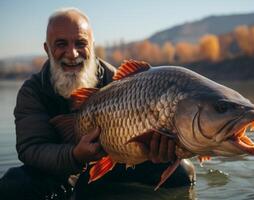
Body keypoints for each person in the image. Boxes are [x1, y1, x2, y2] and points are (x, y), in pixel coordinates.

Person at [0, 7, 195, 199]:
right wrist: (75, 156)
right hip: (59, 174)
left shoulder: (115, 79)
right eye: (61, 44)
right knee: (13, 184)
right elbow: (30, 149)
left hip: (115, 164)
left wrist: (154, 151)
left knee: (182, 173)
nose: (73, 53)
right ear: (47, 49)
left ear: (92, 45)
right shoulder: (32, 91)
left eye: (80, 43)